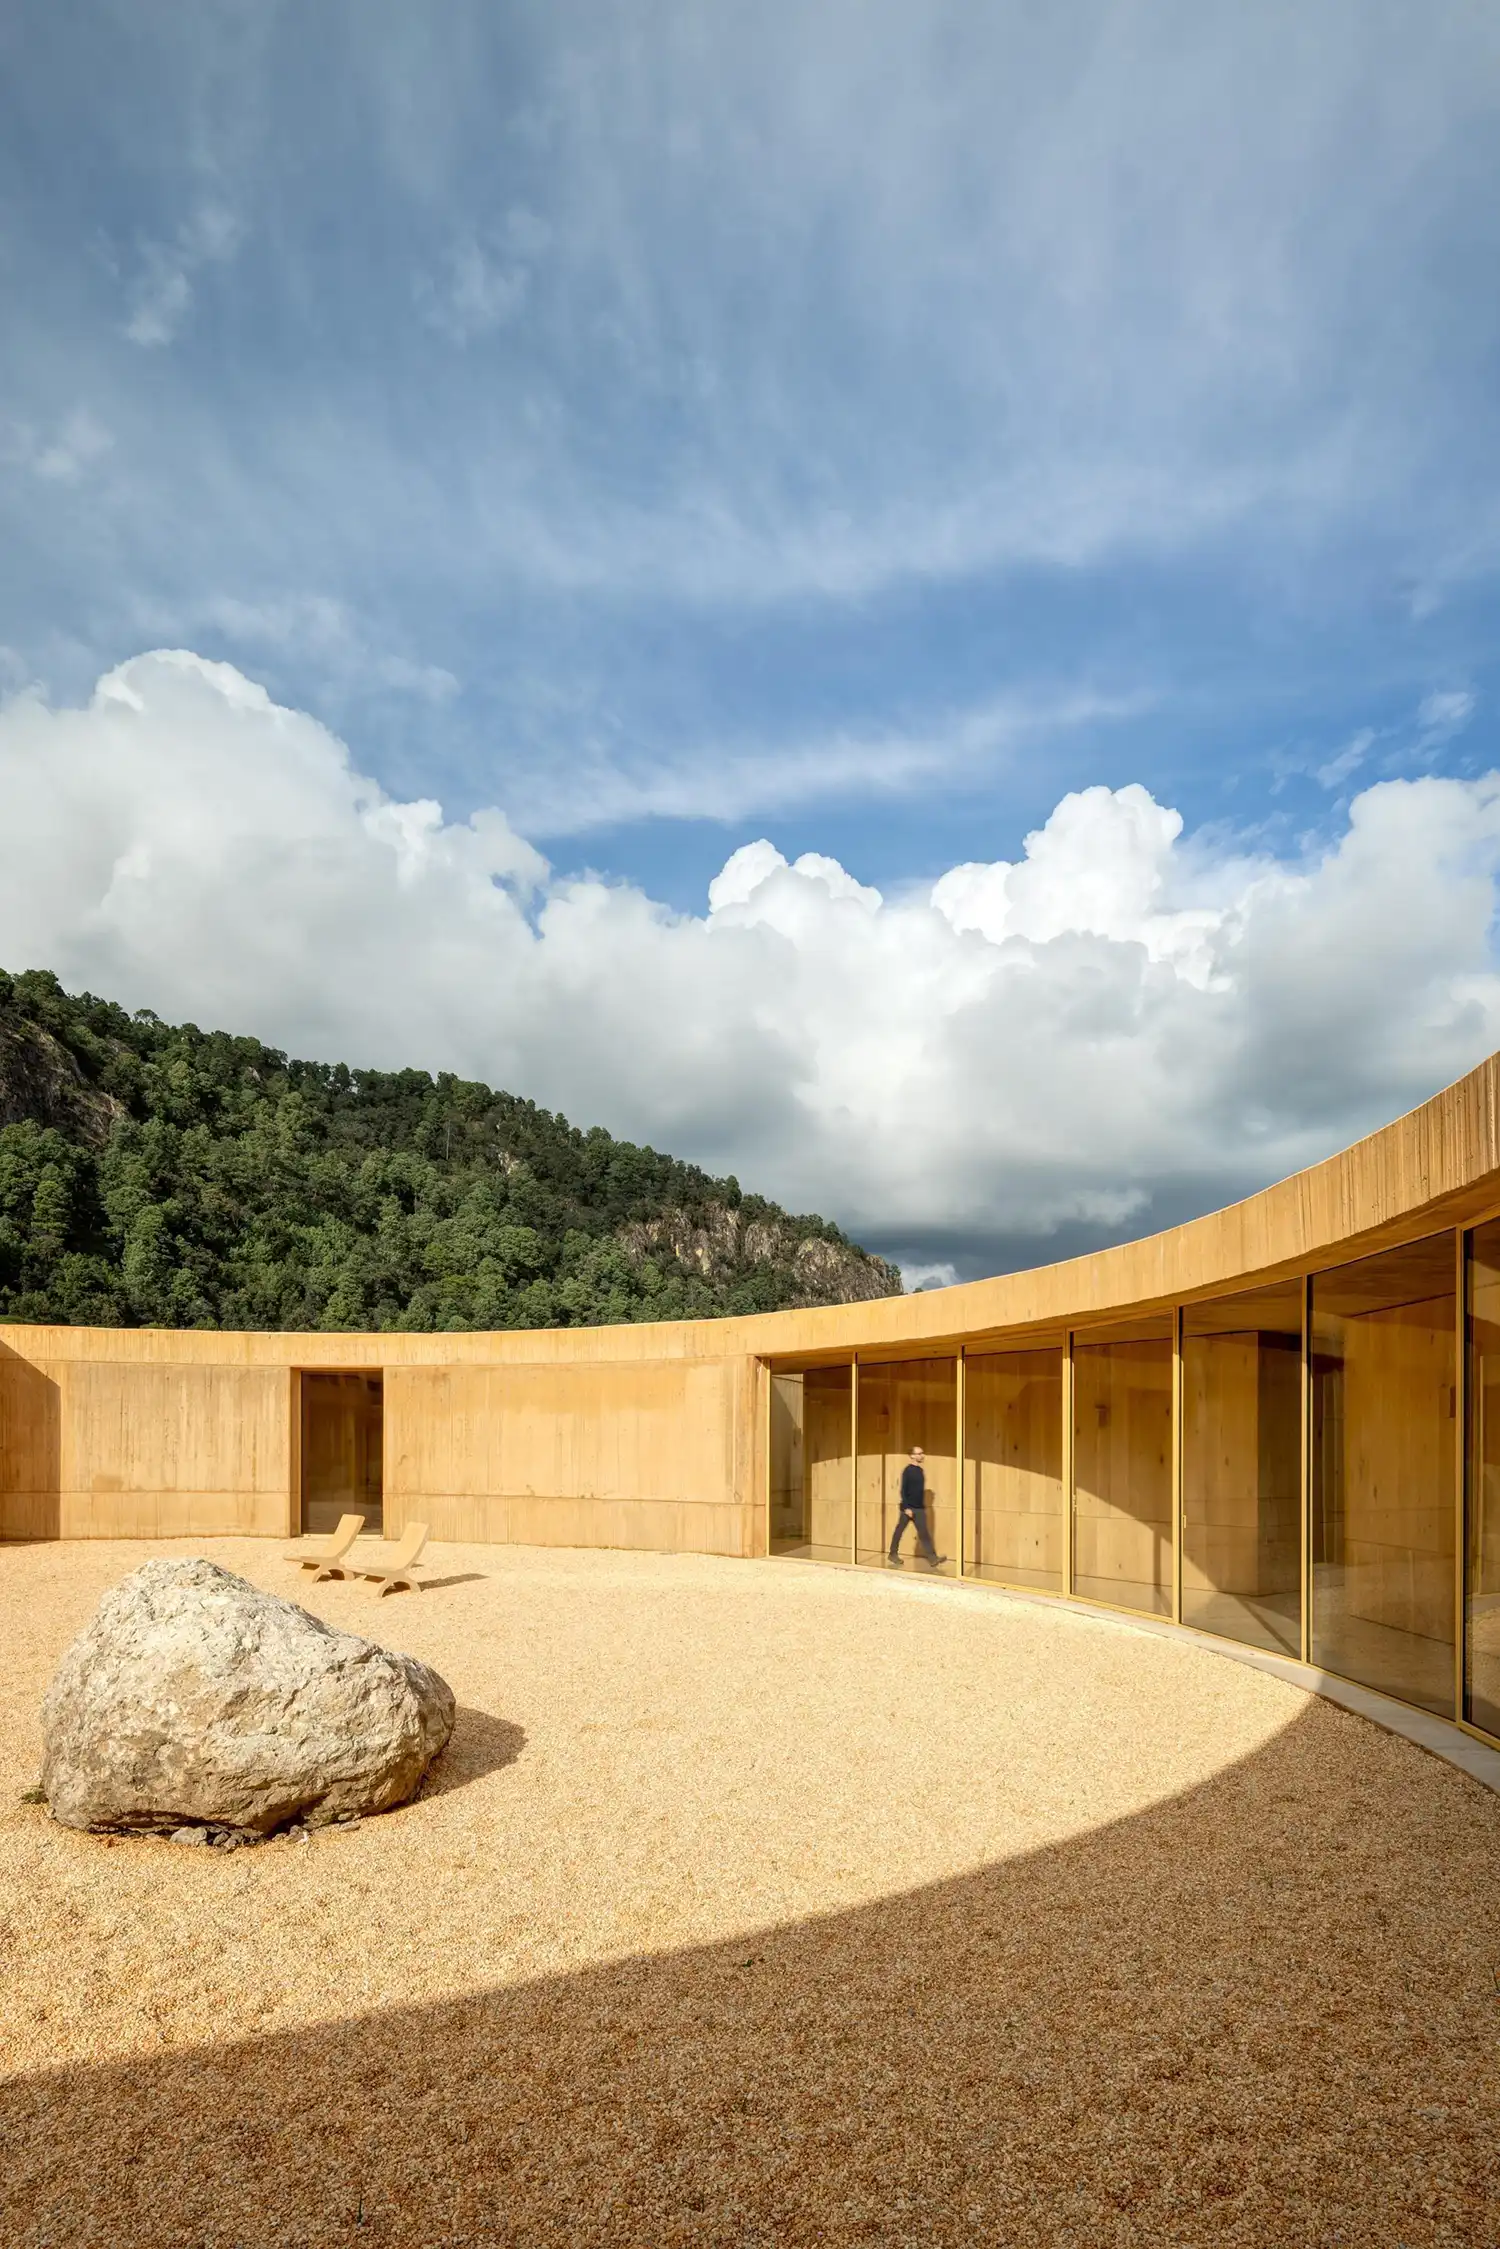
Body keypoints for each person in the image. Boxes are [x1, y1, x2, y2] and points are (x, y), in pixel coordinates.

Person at [887, 1445, 945, 1568]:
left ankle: (933, 1558)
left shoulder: (920, 1471)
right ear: (912, 1456)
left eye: (922, 1453)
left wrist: (921, 1507)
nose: (921, 1455)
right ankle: (892, 1554)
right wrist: (907, 1507)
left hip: (919, 1508)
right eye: (918, 1453)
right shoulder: (907, 1471)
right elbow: (903, 1490)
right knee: (899, 1531)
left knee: (924, 1533)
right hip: (907, 1508)